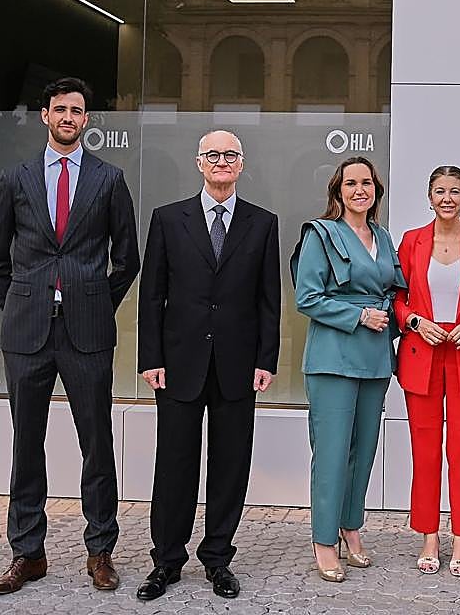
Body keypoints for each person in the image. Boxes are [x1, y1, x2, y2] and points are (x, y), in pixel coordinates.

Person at [0, 77, 140, 595]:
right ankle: (28, 554)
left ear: (86, 120)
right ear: (45, 116)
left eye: (77, 111)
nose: (68, 117)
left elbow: (127, 258)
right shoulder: (16, 178)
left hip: (86, 331)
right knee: (27, 443)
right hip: (26, 331)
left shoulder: (109, 179)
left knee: (96, 442)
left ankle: (100, 552)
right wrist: (24, 303)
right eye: (60, 110)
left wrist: (93, 301)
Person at [135, 130, 280, 601]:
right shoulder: (167, 219)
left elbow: (268, 301)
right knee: (174, 463)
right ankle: (166, 561)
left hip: (238, 365)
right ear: (199, 162)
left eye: (230, 155)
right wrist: (150, 358)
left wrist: (266, 359)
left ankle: (218, 558)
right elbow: (152, 295)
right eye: (213, 155)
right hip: (178, 363)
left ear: (241, 164)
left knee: (230, 464)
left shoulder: (262, 223)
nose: (222, 162)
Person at [291, 156, 405, 583]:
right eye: (351, 183)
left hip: (375, 359)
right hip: (333, 358)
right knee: (333, 452)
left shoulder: (383, 236)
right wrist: (357, 316)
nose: (361, 190)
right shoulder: (320, 234)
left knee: (364, 451)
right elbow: (308, 297)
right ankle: (324, 539)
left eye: (368, 183)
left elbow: (393, 292)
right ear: (337, 191)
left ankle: (350, 526)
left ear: (376, 190)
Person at [393, 166, 460, 576]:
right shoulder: (411, 241)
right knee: (425, 448)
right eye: (440, 191)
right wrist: (416, 321)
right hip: (423, 352)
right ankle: (429, 535)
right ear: (429, 196)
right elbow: (397, 299)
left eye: (455, 191)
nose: (447, 198)